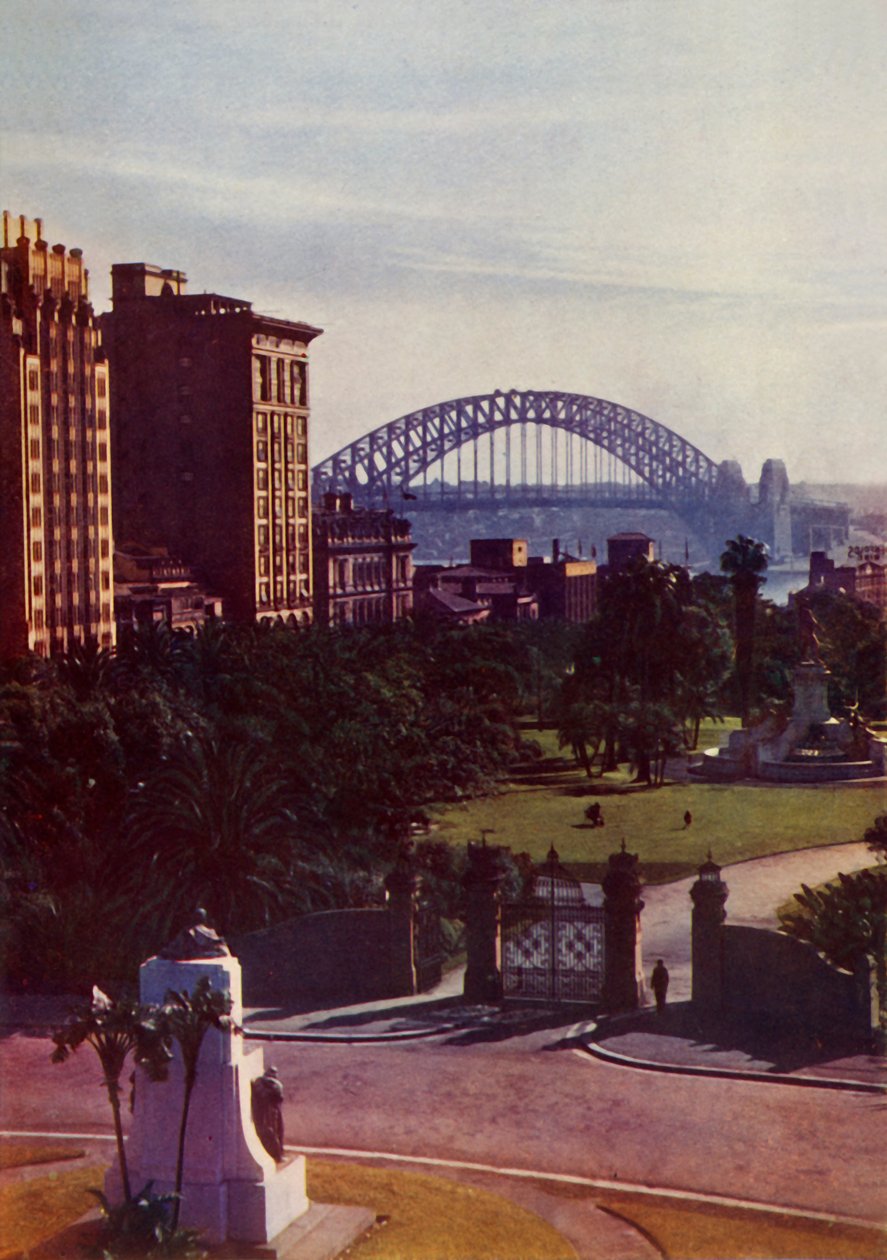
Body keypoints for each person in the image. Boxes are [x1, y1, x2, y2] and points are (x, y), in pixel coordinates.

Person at [252, 1066, 285, 1161]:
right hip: (267, 1112)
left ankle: (278, 1154)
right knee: (271, 1133)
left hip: (274, 1110)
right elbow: (262, 1094)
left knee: (278, 1131)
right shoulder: (260, 1082)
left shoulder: (276, 1085)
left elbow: (279, 1096)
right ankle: (276, 1155)